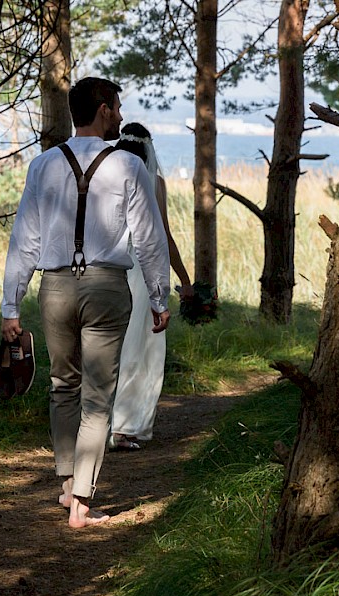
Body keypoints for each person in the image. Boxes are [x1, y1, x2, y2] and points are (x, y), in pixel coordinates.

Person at [1, 77, 170, 529]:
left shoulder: (42, 165)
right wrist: (159, 296)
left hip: (54, 287)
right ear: (101, 110)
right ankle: (81, 502)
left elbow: (24, 242)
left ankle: (65, 484)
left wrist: (10, 308)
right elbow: (150, 241)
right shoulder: (129, 167)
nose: (119, 114)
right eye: (116, 107)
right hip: (108, 288)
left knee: (62, 387)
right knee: (98, 397)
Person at [108, 122, 193, 451]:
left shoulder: (103, 177)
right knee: (141, 347)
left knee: (110, 345)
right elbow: (163, 237)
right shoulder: (154, 182)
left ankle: (99, 423)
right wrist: (184, 278)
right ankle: (126, 426)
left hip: (107, 268)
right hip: (144, 271)